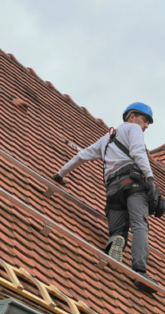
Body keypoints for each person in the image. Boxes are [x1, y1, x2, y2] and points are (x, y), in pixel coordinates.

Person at [53, 102, 159, 294]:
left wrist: (60, 174)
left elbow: (82, 156)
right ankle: (140, 272)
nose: (146, 126)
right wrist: (150, 176)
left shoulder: (106, 139)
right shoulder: (133, 128)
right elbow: (137, 151)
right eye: (145, 120)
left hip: (112, 188)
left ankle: (115, 241)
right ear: (132, 117)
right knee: (139, 224)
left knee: (118, 229)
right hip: (133, 184)